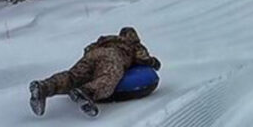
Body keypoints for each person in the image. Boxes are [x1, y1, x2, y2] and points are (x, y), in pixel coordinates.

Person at [29, 27, 161, 117]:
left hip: (92, 55)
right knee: (109, 76)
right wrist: (154, 62)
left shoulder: (108, 39)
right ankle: (87, 92)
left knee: (73, 76)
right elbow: (143, 59)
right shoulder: (133, 45)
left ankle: (44, 87)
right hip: (113, 56)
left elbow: (88, 49)